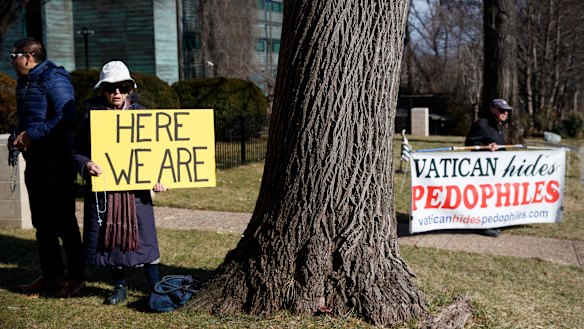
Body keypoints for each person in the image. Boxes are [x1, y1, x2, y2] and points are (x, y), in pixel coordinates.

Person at [72, 61, 165, 305]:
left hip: (136, 191)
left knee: (145, 235)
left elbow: (156, 152)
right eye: (111, 88)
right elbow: (75, 150)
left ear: (130, 89)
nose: (117, 93)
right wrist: (86, 163)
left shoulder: (143, 117)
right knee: (110, 236)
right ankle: (119, 286)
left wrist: (159, 176)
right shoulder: (90, 117)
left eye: (122, 87)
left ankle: (154, 285)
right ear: (102, 90)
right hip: (105, 191)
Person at [8, 38, 85, 297]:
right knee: (42, 223)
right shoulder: (25, 82)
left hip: (57, 161)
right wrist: (17, 136)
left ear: (28, 57)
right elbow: (27, 118)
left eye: (14, 55)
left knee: (64, 222)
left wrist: (32, 135)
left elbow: (67, 117)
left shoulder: (55, 78)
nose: (11, 60)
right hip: (36, 162)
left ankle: (77, 278)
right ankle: (51, 276)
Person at [465, 98, 513, 238]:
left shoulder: (498, 126)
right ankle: (483, 225)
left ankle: (493, 221)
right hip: (483, 169)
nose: (506, 113)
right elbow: (470, 143)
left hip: (496, 169)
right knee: (484, 196)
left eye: (507, 111)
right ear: (493, 110)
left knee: (494, 195)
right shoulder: (482, 123)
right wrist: (486, 148)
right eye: (502, 110)